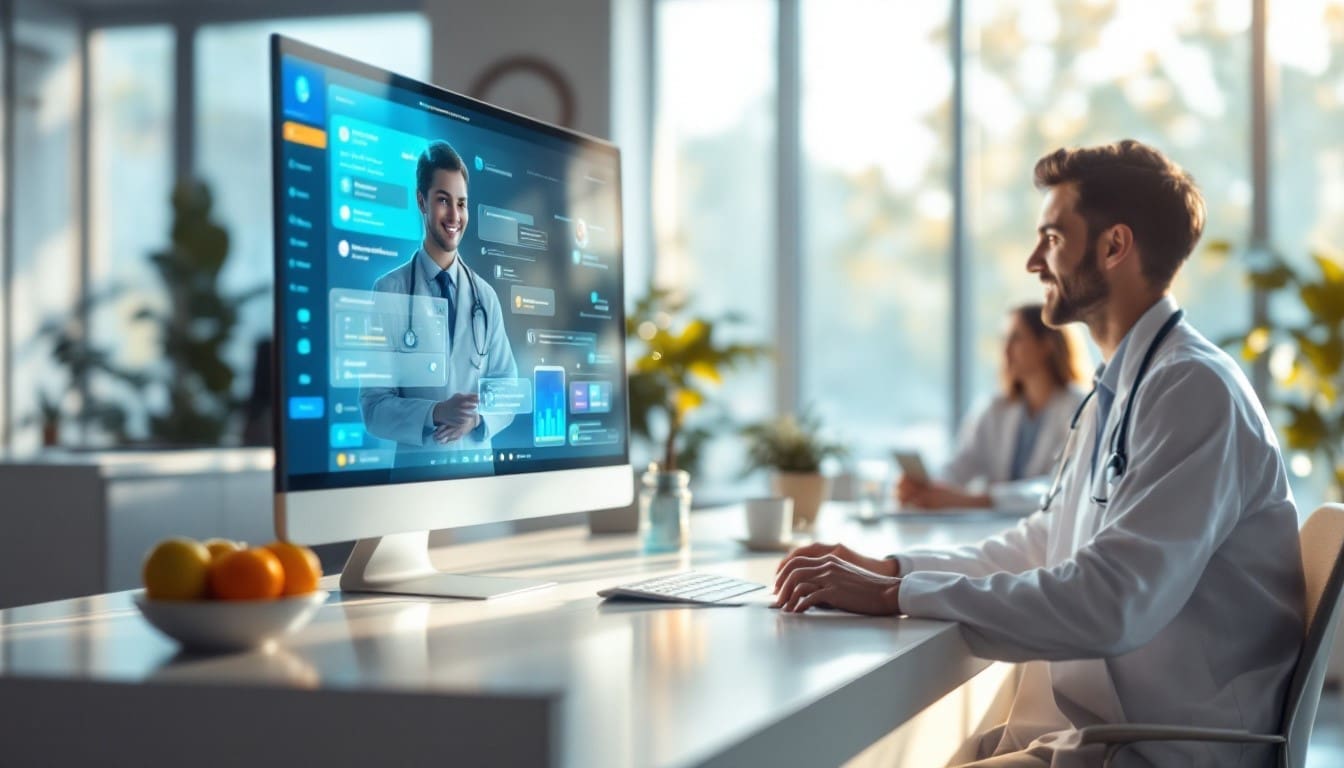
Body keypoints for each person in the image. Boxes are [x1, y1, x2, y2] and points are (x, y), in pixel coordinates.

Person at [774, 140, 1305, 767]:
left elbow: (1112, 604)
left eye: (1051, 237)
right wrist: (891, 569)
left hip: (1162, 749)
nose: (1032, 261)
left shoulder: (1192, 390)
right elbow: (1042, 542)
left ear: (1114, 247)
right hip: (1101, 732)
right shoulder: (1120, 389)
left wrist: (898, 596)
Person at [360, 140, 517, 464]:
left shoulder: (484, 296)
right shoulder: (389, 290)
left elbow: (508, 387)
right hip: (416, 485)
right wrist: (435, 412)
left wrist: (478, 418)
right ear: (421, 201)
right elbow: (373, 407)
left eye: (461, 203)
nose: (455, 215)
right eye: (443, 201)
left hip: (475, 481)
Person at [898, 304, 1090, 513]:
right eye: (1004, 339)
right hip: (993, 529)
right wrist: (927, 488)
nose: (1005, 350)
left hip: (1047, 529)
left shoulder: (1079, 407)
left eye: (1016, 338)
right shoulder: (994, 409)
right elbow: (960, 465)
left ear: (1046, 345)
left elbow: (1059, 487)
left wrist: (976, 500)